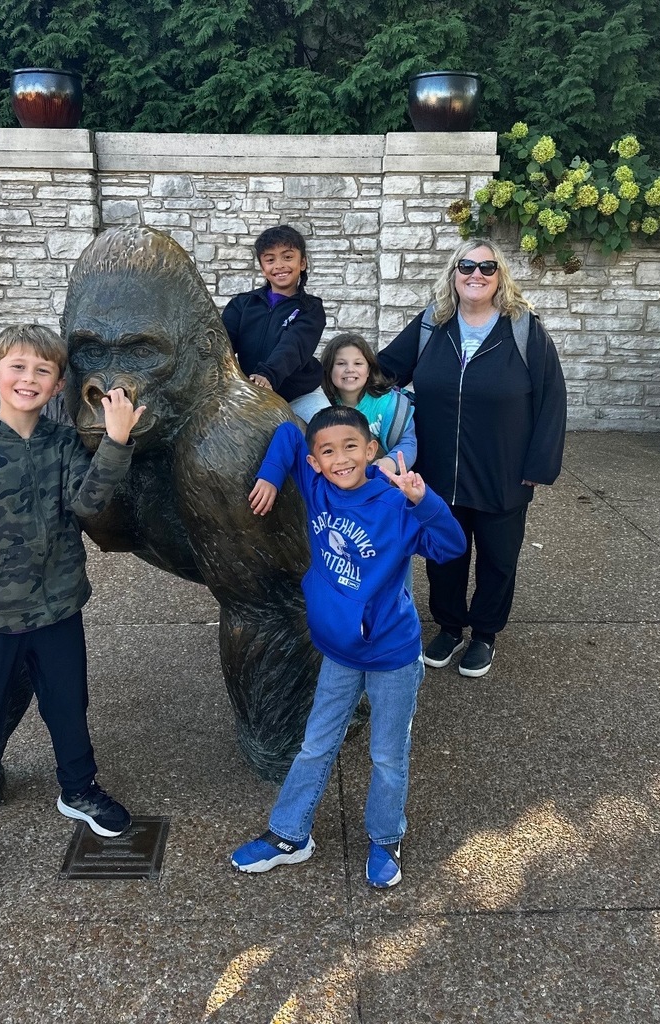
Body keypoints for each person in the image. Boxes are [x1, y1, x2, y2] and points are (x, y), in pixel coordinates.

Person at [0, 323, 145, 904]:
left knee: (68, 704)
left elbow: (87, 505)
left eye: (42, 371)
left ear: (56, 388)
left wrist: (117, 442)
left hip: (55, 610)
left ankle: (78, 789)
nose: (29, 379)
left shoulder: (61, 445)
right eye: (18, 367)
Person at [230, 406, 465, 888]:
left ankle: (385, 838)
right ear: (315, 462)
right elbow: (288, 434)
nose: (340, 458)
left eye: (351, 447)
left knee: (387, 753)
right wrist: (272, 476)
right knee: (315, 744)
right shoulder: (315, 486)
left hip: (392, 656)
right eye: (328, 451)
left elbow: (451, 547)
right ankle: (290, 835)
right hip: (338, 651)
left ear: (372, 450)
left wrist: (425, 502)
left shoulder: (396, 505)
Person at [378, 237, 567, 679]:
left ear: (499, 277)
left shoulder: (523, 330)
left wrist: (538, 466)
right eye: (466, 266)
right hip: (439, 472)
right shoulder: (431, 325)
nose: (475, 275)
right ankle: (448, 626)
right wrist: (331, 381)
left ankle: (484, 634)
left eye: (486, 268)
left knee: (499, 558)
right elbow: (382, 371)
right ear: (453, 275)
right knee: (445, 555)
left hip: (504, 471)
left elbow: (552, 399)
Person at [221, 224, 330, 421]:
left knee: (329, 429)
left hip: (301, 396)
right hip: (252, 394)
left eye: (287, 257)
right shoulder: (242, 304)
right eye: (270, 260)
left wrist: (268, 375)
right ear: (263, 268)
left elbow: (293, 345)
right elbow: (220, 343)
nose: (279, 265)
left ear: (302, 263)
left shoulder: (311, 308)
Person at [320, 332, 418, 476]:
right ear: (328, 370)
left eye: (358, 363)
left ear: (369, 370)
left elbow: (408, 443)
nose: (350, 369)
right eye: (341, 363)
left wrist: (390, 463)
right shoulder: (320, 404)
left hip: (378, 479)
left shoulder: (390, 404)